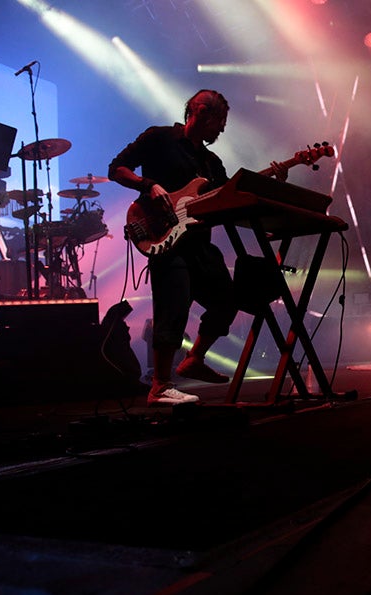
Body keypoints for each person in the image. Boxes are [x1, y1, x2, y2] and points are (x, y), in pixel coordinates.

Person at [108, 89, 289, 406]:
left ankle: (194, 358)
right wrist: (149, 186)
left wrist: (274, 182)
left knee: (227, 300)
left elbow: (230, 197)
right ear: (201, 112)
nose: (222, 129)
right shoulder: (159, 139)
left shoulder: (211, 162)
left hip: (199, 245)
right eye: (221, 121)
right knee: (173, 306)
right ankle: (160, 385)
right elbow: (117, 168)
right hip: (163, 237)